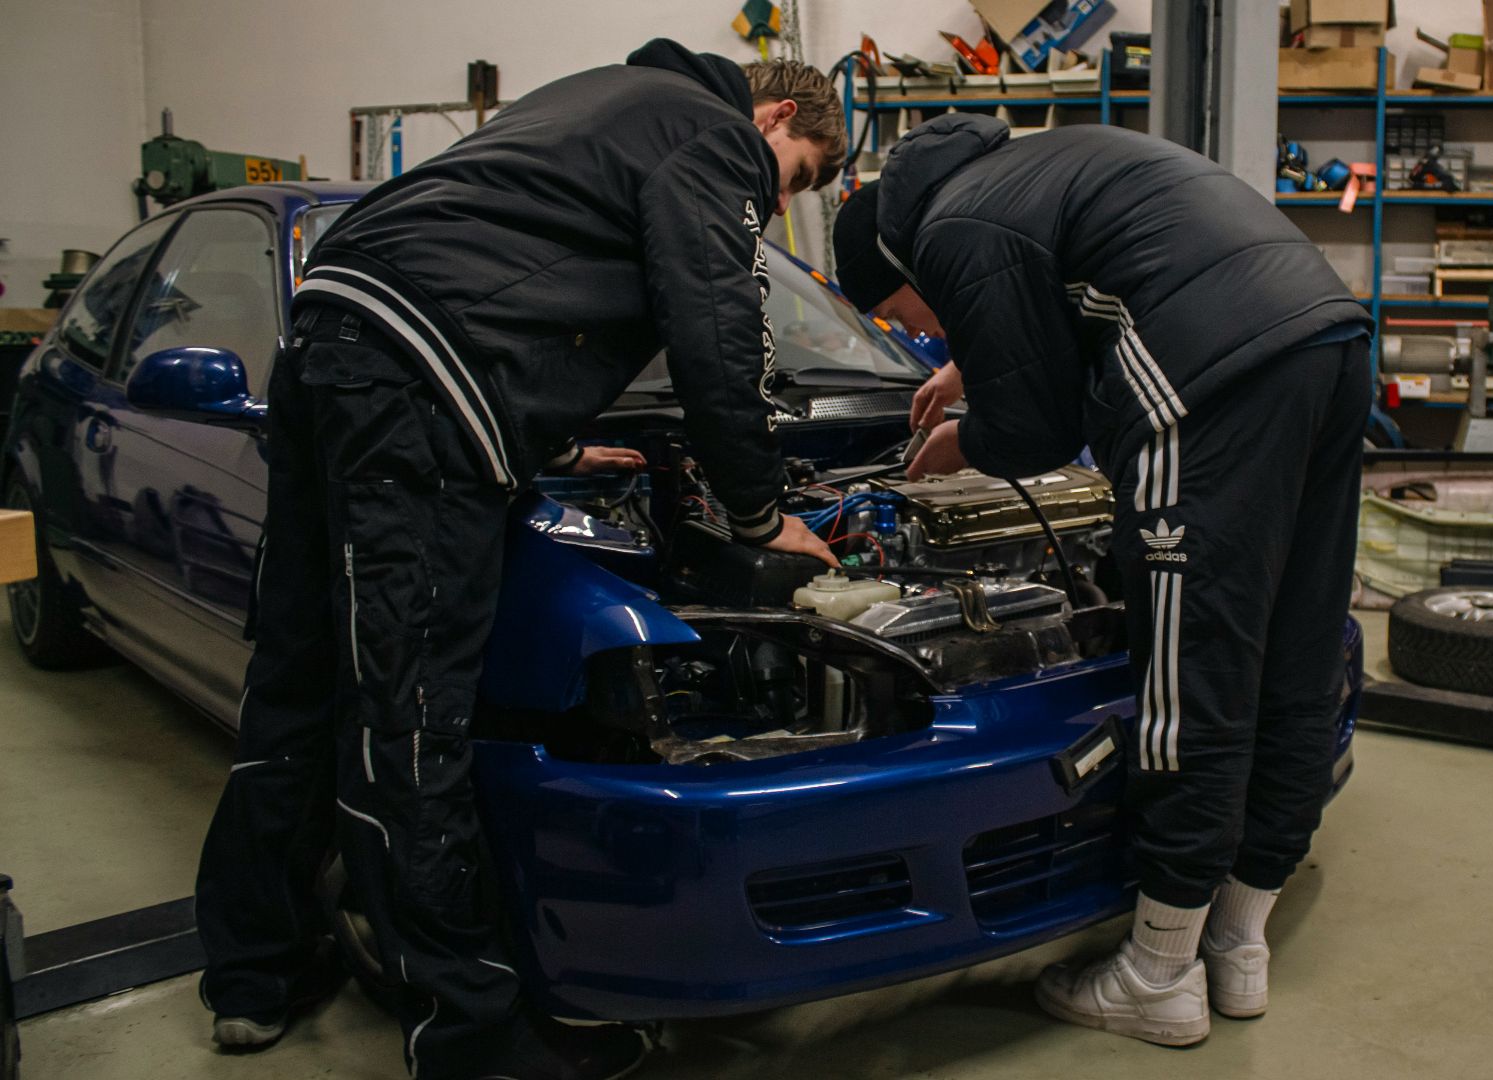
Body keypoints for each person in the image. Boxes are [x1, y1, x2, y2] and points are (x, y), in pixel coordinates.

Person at [194, 40, 842, 1080]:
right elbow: (719, 328)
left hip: (335, 338)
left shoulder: (600, 99)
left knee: (301, 675)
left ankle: (254, 968)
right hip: (418, 382)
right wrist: (762, 519)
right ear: (776, 122)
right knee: (410, 718)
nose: (779, 203)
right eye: (798, 178)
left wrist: (542, 437)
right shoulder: (712, 131)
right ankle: (474, 1039)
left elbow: (509, 258)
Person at [832, 114, 1371, 1048]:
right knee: (1293, 644)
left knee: (1190, 678)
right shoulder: (1025, 173)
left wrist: (967, 438)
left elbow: (1037, 431)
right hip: (1324, 338)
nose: (910, 331)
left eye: (898, 314)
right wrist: (975, 363)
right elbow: (1087, 284)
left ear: (900, 269)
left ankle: (1157, 975)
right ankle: (1238, 946)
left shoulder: (951, 229)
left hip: (1209, 377)